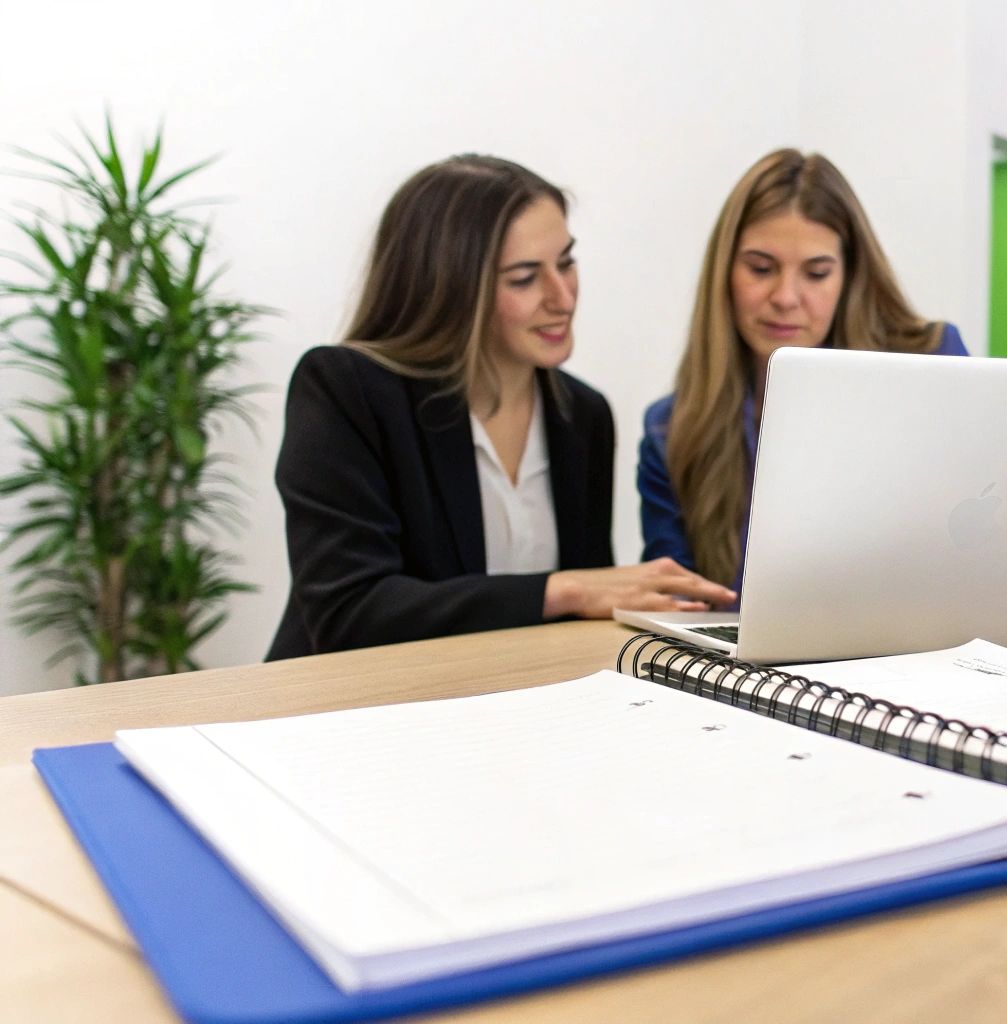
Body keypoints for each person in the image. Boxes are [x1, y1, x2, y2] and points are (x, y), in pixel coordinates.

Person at [268, 155, 732, 660]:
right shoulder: (345, 389)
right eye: (525, 277)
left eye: (567, 262)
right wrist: (562, 590)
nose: (562, 296)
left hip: (505, 707)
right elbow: (350, 614)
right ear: (450, 290)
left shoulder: (582, 415)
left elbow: (582, 619)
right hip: (348, 713)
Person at [638, 149, 967, 592]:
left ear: (849, 279)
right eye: (760, 268)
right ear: (725, 272)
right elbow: (674, 601)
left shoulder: (932, 361)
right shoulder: (671, 428)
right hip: (745, 662)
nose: (786, 297)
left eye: (816, 273)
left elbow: (973, 547)